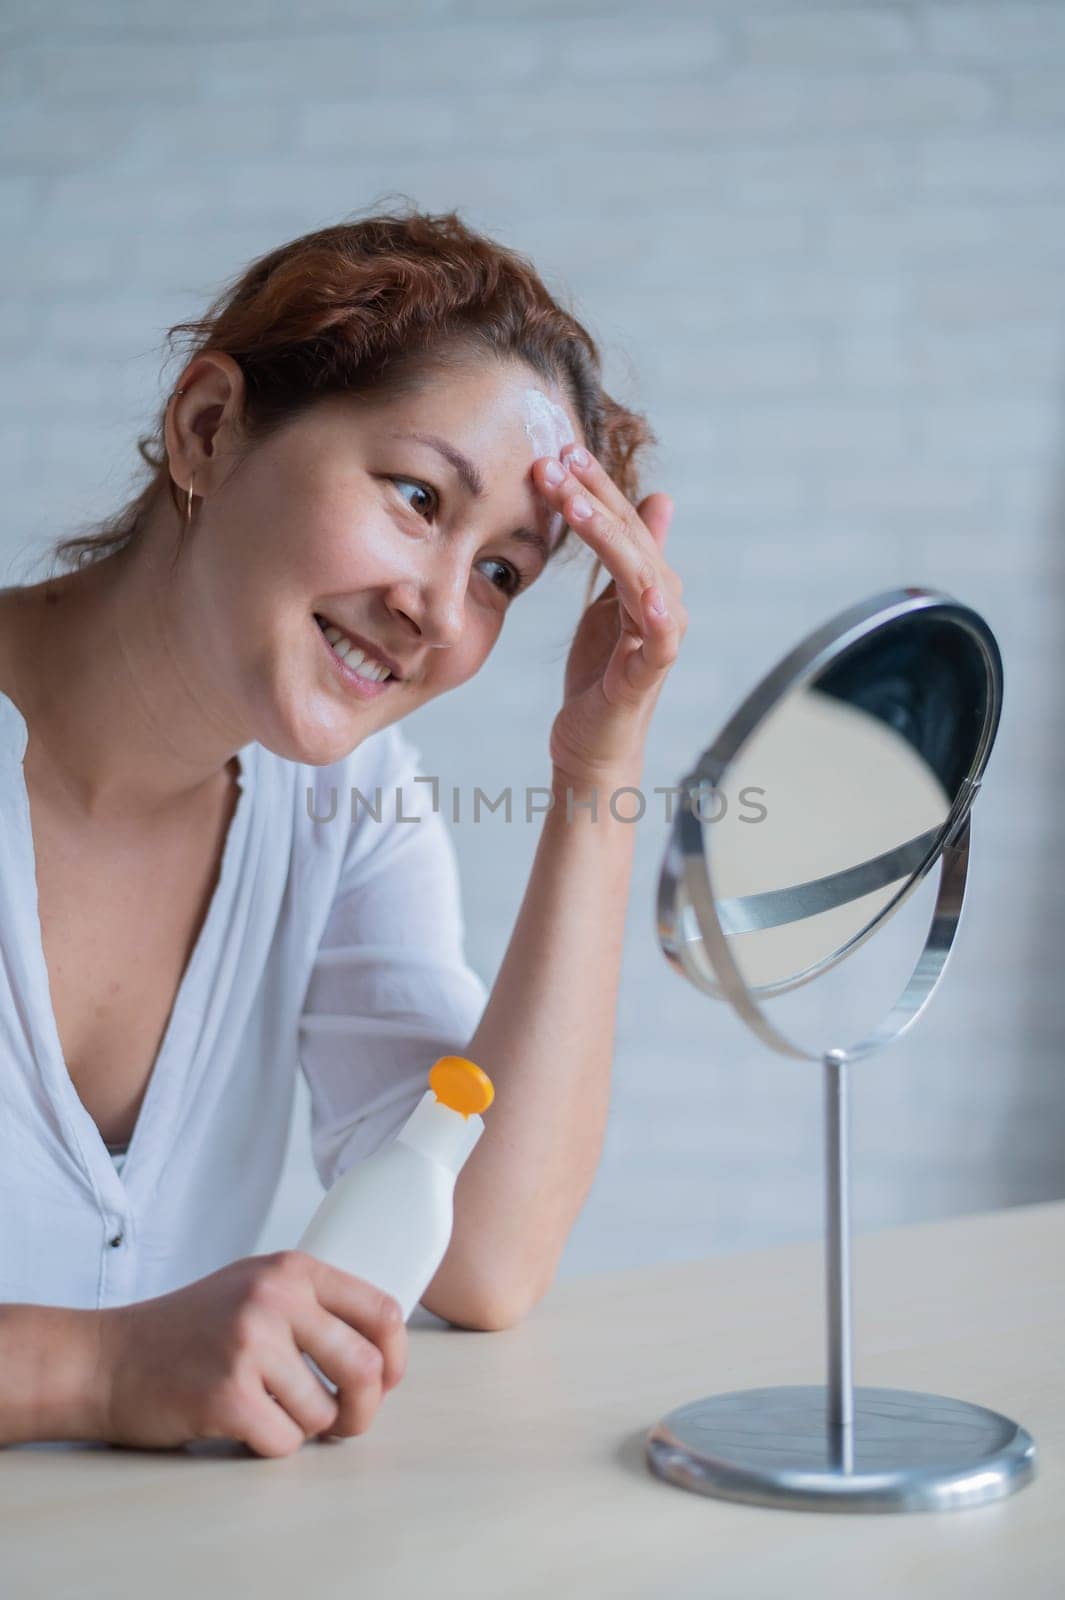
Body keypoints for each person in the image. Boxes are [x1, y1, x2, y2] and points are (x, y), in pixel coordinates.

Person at [0, 204, 685, 1458]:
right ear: (209, 429)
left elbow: (480, 1251)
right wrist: (88, 1369)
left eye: (501, 575)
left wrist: (601, 766)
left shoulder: (349, 809)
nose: (438, 611)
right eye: (419, 496)